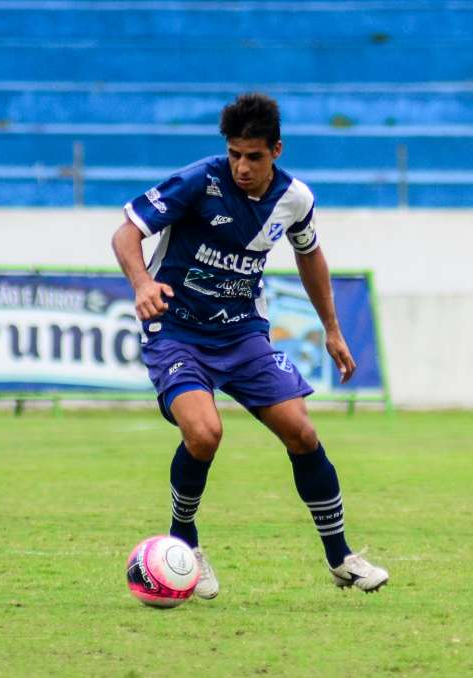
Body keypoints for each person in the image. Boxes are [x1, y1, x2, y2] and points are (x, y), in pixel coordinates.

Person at [112, 93, 388, 597]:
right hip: (176, 330)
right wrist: (142, 285)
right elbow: (126, 233)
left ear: (276, 150)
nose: (241, 165)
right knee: (204, 433)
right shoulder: (200, 180)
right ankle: (184, 542)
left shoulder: (295, 198)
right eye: (235, 153)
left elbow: (311, 256)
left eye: (253, 156)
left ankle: (341, 558)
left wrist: (332, 328)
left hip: (242, 333)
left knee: (301, 433)